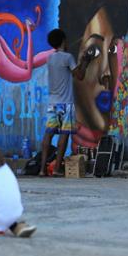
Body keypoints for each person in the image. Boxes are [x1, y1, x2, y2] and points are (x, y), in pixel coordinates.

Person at [39, 29, 91, 176]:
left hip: (52, 103)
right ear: (63, 41)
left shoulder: (50, 58)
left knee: (48, 134)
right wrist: (85, 63)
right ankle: (56, 170)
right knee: (64, 134)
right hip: (66, 103)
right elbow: (79, 76)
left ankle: (43, 169)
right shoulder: (67, 57)